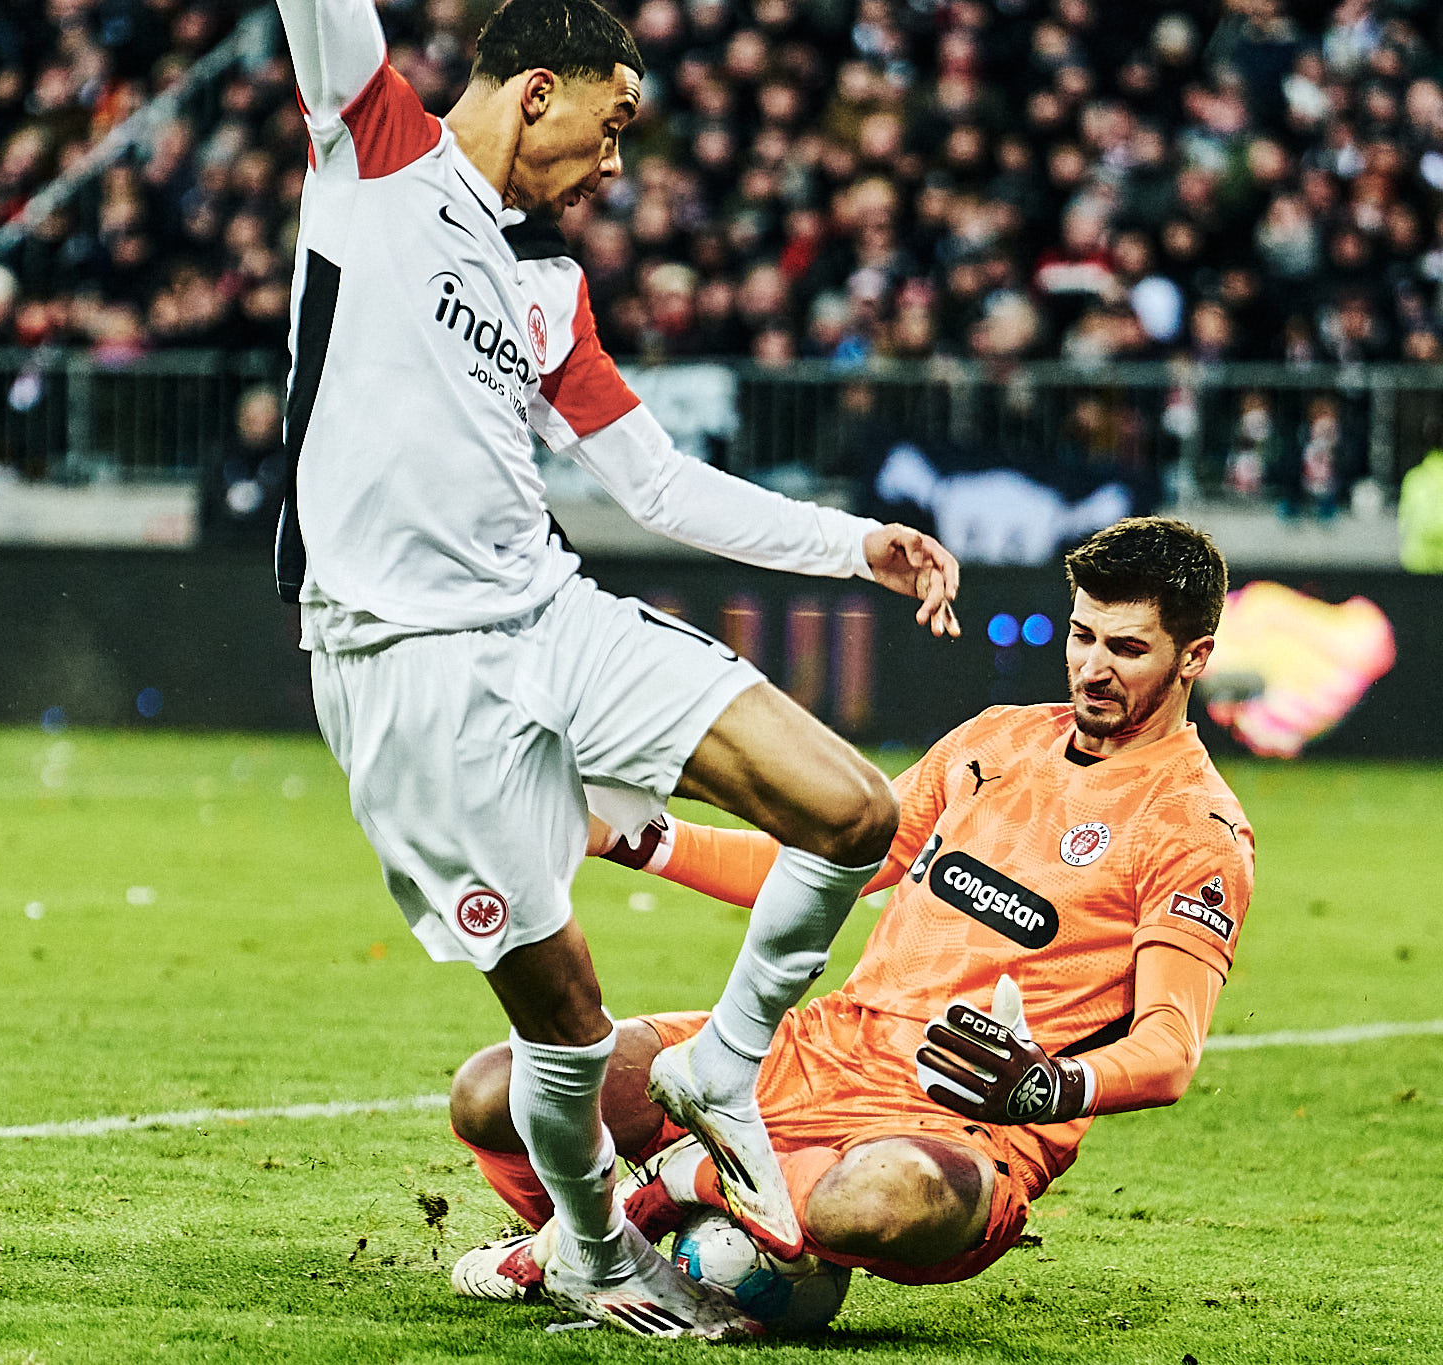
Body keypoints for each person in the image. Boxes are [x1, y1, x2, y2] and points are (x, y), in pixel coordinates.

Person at [270, 0, 960, 1335]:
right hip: (403, 667)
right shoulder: (373, 149)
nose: (615, 163)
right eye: (613, 122)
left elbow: (653, 482)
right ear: (538, 90)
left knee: (851, 810)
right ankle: (589, 1249)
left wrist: (850, 544)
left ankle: (722, 1065)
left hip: (548, 615)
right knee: (568, 1023)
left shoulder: (544, 285)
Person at [448, 517, 1253, 1307]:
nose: (1092, 667)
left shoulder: (1195, 827)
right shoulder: (996, 742)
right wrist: (637, 840)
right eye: (1082, 636)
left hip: (963, 1125)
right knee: (495, 1090)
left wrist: (1048, 1086)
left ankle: (659, 1195)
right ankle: (636, 1241)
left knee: (875, 1201)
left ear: (1195, 656)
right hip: (823, 1048)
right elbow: (818, 860)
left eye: (1127, 649)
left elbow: (1169, 1049)